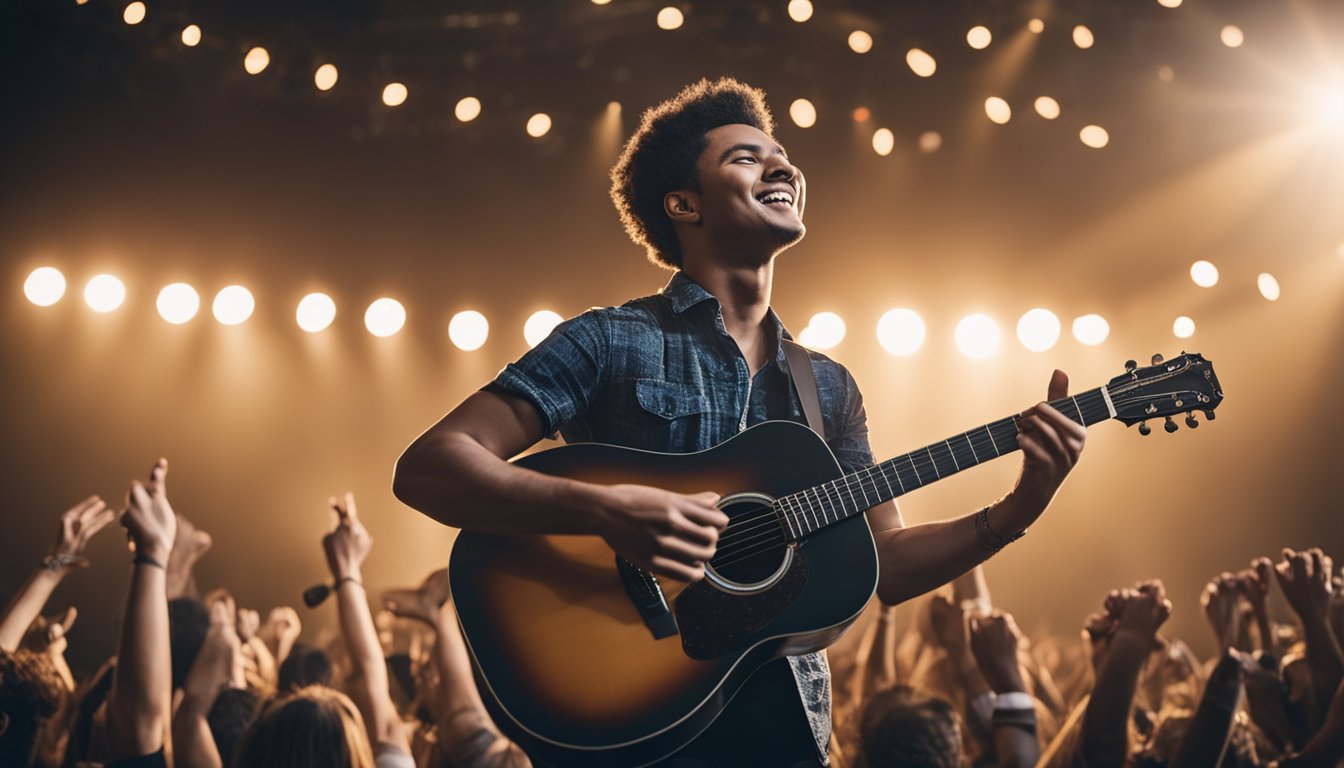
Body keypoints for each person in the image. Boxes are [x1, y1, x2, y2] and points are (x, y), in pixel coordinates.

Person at [393, 77, 1087, 766]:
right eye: (747, 157)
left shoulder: (829, 388)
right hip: (635, 725)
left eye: (782, 155)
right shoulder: (610, 341)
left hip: (787, 736)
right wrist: (605, 511)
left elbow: (890, 567)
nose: (782, 166)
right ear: (684, 204)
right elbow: (431, 466)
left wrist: (1024, 502)